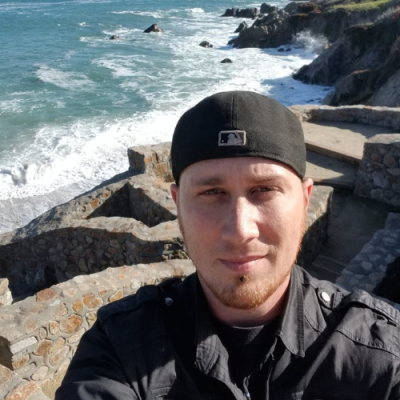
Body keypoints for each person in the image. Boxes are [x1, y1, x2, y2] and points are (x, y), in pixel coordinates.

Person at [56, 91, 400, 400]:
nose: (239, 230)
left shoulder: (383, 356)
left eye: (264, 190)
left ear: (305, 200)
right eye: (211, 193)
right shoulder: (118, 348)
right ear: (177, 205)